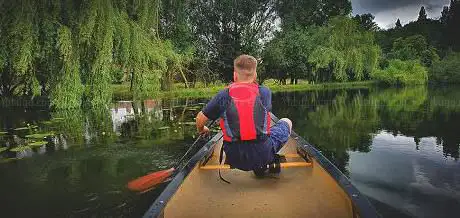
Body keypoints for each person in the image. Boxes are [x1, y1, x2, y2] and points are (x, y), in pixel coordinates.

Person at [195, 54, 292, 176]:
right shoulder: (265, 92)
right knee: (286, 121)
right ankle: (262, 164)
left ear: (235, 75)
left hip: (234, 158)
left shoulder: (224, 95)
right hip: (262, 154)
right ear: (255, 75)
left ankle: (259, 166)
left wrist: (202, 128)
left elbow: (200, 119)